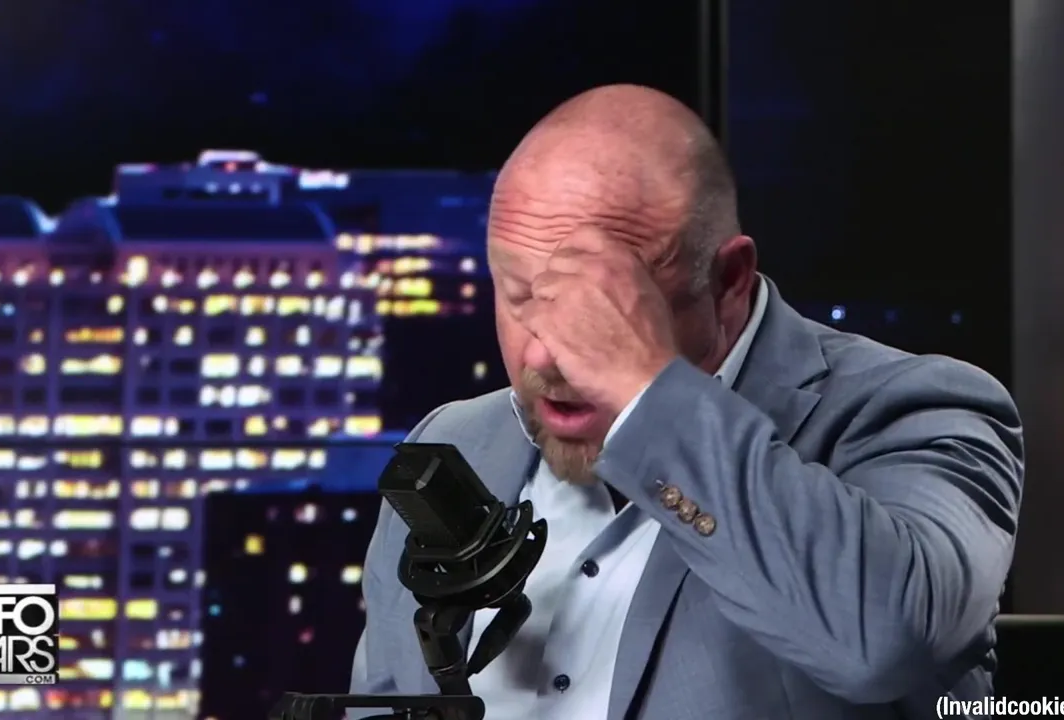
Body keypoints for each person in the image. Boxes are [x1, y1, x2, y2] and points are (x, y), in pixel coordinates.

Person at [350, 84, 1023, 720]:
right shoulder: (456, 443)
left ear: (728, 280)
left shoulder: (915, 409)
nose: (546, 355)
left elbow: (883, 643)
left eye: (602, 307)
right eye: (521, 295)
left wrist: (645, 400)